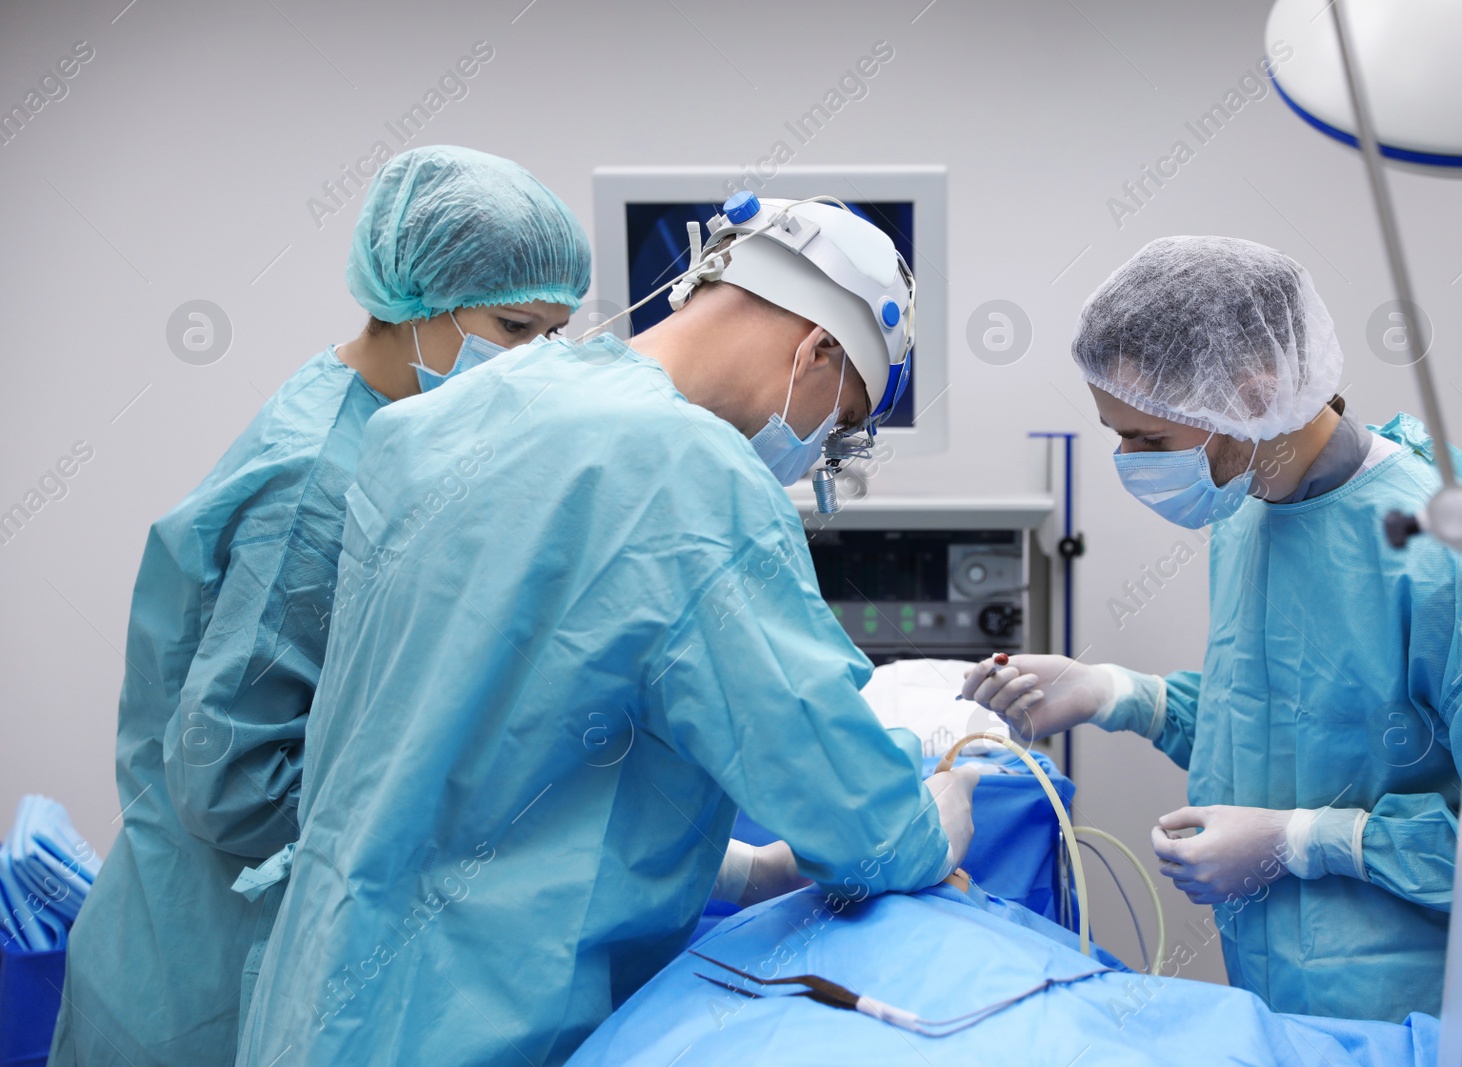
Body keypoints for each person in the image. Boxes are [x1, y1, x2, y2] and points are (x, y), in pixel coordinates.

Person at [232, 196, 979, 1067]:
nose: (816, 452)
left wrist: (740, 870)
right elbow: (853, 809)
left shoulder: (440, 418)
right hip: (483, 1026)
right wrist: (933, 815)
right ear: (813, 350)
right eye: (838, 420)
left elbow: (464, 741)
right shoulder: (694, 477)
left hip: (315, 999)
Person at [48, 145, 591, 1067]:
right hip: (204, 981)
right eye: (515, 326)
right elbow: (230, 784)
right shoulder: (315, 483)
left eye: (556, 335)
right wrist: (444, 823)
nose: (536, 363)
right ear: (419, 295)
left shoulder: (366, 413)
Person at [963, 236, 1462, 1023]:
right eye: (1116, 432)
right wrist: (1115, 693)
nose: (1128, 460)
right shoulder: (1253, 506)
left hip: (1412, 1014)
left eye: (1149, 440)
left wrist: (1302, 840)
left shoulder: (1446, 560)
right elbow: (1275, 723)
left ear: (1250, 400)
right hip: (1276, 994)